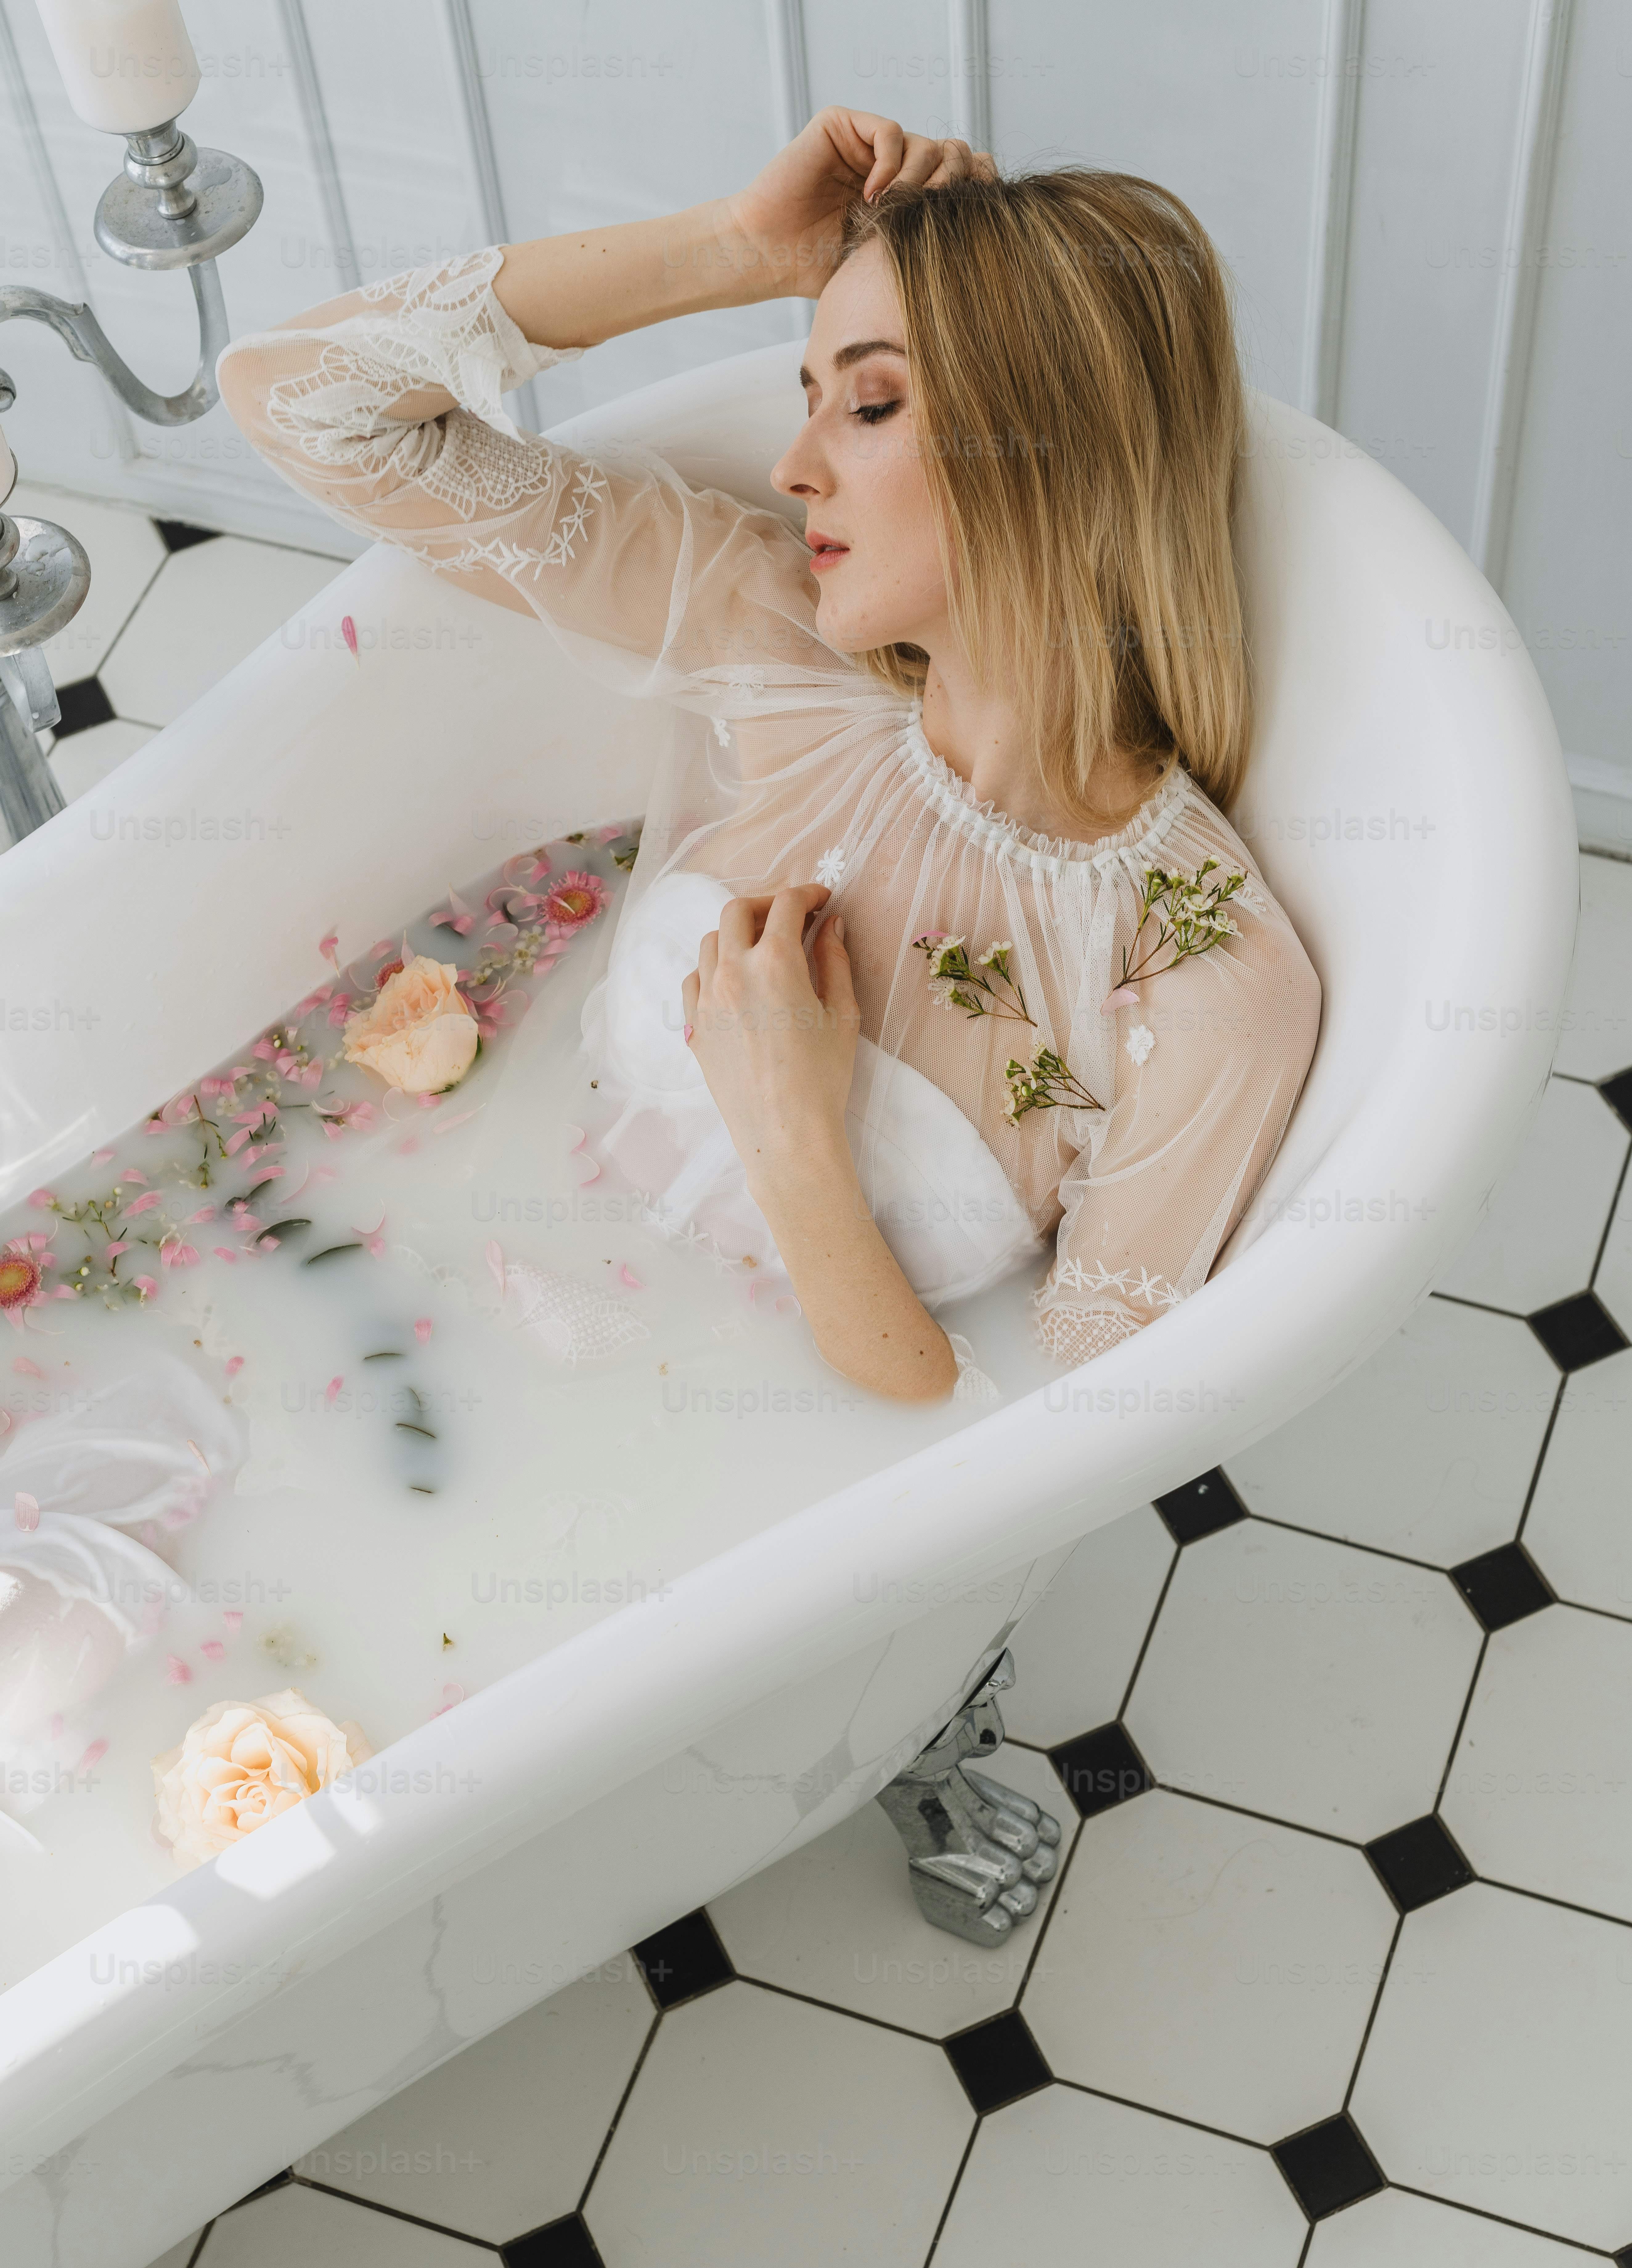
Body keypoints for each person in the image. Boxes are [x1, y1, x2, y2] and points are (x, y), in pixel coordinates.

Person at [216, 108, 1320, 1406]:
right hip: (399, 1316)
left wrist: (793, 1135)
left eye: (867, 403)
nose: (793, 467)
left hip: (737, 1505)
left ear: (1050, 453)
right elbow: (301, 400)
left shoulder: (1199, 968)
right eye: (807, 399)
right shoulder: (771, 645)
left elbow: (1056, 1426)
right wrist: (737, 248)